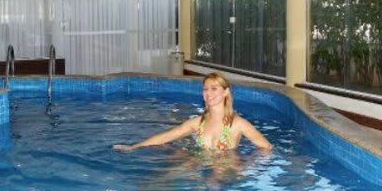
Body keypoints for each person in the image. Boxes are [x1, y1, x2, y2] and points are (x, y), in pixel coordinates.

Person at [113, 72, 273, 152]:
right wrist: (133, 147)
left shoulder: (237, 124)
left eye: (214, 89)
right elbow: (167, 136)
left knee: (215, 181)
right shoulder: (198, 123)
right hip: (198, 167)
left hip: (225, 173)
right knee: (167, 166)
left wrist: (244, 167)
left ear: (225, 92)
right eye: (205, 89)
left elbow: (266, 148)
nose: (208, 93)